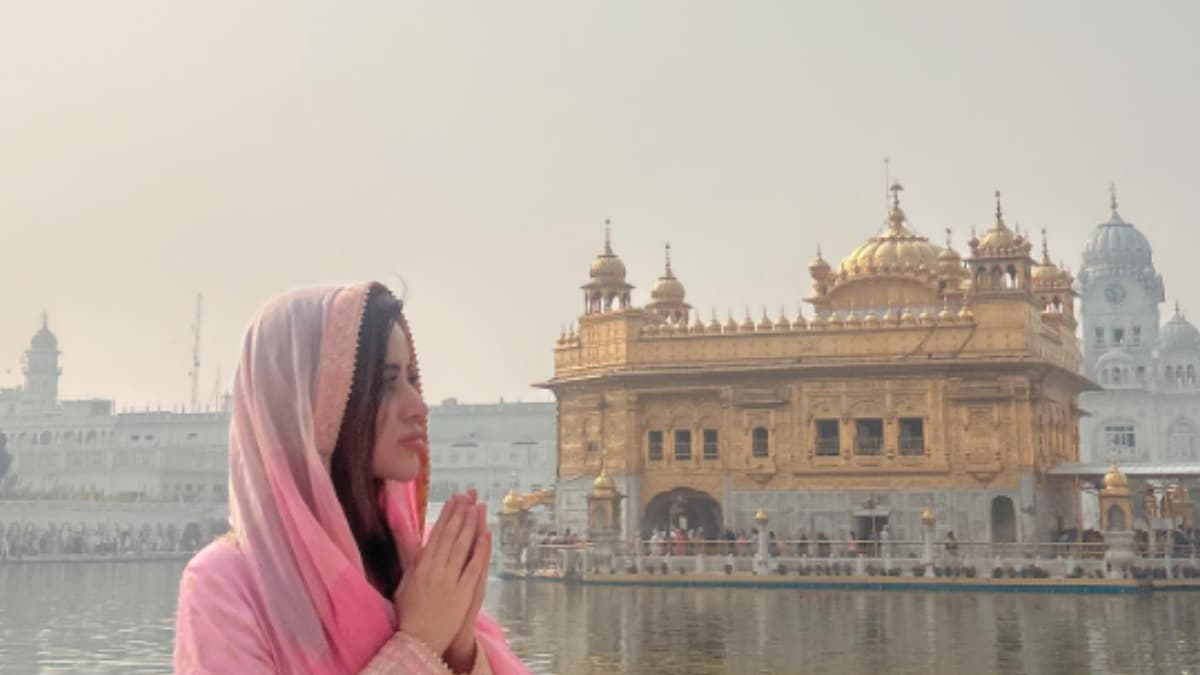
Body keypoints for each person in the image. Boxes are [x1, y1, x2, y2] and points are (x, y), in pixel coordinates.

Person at [173, 283, 528, 674]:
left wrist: (460, 649)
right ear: (310, 406)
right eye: (386, 384)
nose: (418, 406)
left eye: (412, 378)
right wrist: (420, 643)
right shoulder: (229, 585)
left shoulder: (416, 560)